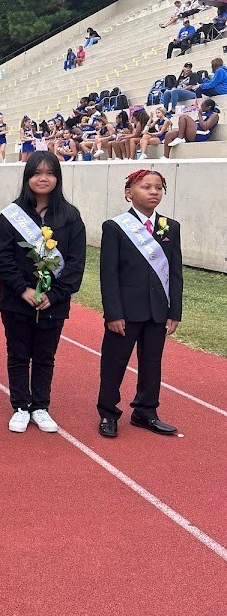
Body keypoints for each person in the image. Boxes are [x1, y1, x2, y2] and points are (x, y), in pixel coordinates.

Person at [0, 152, 86, 434]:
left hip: (53, 303)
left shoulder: (70, 217)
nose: (42, 178)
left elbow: (75, 262)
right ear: (27, 178)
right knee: (18, 353)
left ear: (57, 177)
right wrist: (23, 289)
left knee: (45, 356)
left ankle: (40, 406)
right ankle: (21, 406)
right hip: (17, 300)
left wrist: (54, 294)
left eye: (49, 173)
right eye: (36, 173)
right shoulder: (12, 214)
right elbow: (3, 257)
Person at [97, 170, 183, 438]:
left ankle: (146, 411)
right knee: (115, 362)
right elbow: (108, 274)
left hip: (158, 309)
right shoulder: (115, 227)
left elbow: (176, 272)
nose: (154, 192)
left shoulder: (171, 227)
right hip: (125, 310)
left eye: (158, 187)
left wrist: (174, 311)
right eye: (146, 187)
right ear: (128, 193)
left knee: (152, 363)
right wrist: (113, 312)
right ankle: (108, 412)